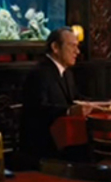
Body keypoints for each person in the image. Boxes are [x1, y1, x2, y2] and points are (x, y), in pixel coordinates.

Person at [20, 27, 92, 159]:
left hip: (63, 137)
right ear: (55, 47)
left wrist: (104, 104)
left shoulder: (67, 72)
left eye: (77, 46)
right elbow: (37, 109)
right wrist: (69, 111)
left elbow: (75, 98)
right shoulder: (40, 73)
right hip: (44, 143)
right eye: (72, 46)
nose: (77, 51)